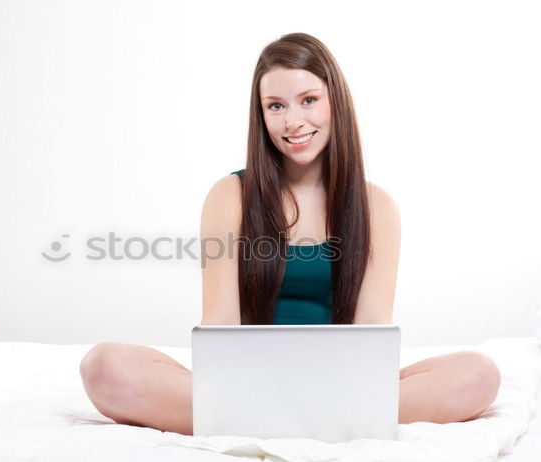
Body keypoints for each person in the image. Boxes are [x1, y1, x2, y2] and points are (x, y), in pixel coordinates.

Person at [79, 33, 501, 436]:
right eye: (275, 106)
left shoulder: (377, 207)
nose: (293, 121)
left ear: (335, 102)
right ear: (260, 115)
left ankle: (260, 421)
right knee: (104, 366)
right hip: (248, 386)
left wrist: (344, 392)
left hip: (343, 387)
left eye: (309, 100)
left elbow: (371, 336)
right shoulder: (232, 196)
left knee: (478, 375)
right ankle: (323, 424)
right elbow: (219, 326)